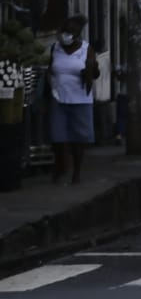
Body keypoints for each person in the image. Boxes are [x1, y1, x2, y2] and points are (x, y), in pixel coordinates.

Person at [48, 14, 99, 184]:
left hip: (80, 99)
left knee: (79, 138)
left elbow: (95, 72)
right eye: (64, 31)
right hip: (58, 97)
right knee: (58, 136)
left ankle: (76, 171)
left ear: (77, 35)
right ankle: (61, 165)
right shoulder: (55, 48)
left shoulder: (86, 49)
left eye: (69, 32)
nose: (65, 35)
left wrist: (90, 70)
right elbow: (50, 68)